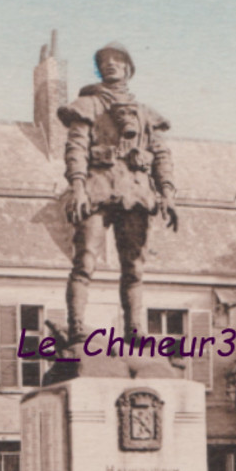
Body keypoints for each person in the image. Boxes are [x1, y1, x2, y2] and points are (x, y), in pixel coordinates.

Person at [57, 42, 178, 344]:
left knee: (134, 266)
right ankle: (77, 327)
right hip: (97, 188)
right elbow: (76, 147)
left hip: (135, 192)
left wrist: (167, 192)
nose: (110, 64)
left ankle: (134, 331)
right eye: (104, 61)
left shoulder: (146, 113)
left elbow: (161, 154)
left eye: (117, 60)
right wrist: (77, 185)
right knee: (85, 260)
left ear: (128, 68)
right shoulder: (87, 105)